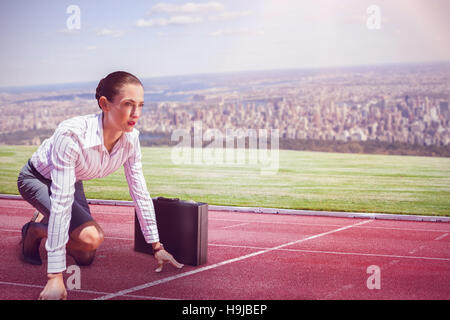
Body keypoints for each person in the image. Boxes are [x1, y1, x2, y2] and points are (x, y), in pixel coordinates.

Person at [17, 71, 183, 300]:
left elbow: (140, 192)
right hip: (37, 178)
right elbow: (62, 202)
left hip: (71, 179)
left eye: (141, 105)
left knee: (85, 256)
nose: (136, 114)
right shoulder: (72, 136)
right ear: (104, 104)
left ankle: (39, 227)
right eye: (128, 104)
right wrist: (55, 277)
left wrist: (157, 246)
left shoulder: (131, 139)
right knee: (90, 237)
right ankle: (32, 232)